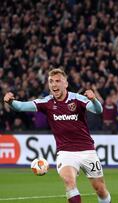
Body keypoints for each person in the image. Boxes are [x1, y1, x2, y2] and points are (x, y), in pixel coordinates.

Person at [3, 68, 111, 203]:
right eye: (51, 81)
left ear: (65, 84)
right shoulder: (46, 102)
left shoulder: (77, 99)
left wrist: (94, 99)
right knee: (69, 181)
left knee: (100, 190)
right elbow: (21, 107)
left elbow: (98, 110)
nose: (54, 84)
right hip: (65, 152)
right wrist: (11, 102)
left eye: (58, 81)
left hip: (87, 150)